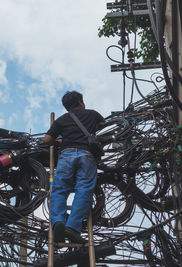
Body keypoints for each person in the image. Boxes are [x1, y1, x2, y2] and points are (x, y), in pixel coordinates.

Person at [44, 90, 104, 244]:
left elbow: (47, 139)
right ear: (80, 102)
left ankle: (58, 222)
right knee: (83, 189)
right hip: (87, 154)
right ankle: (72, 227)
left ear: (66, 107)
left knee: (59, 190)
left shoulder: (62, 119)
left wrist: (58, 142)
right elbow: (104, 126)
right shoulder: (92, 114)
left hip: (66, 155)